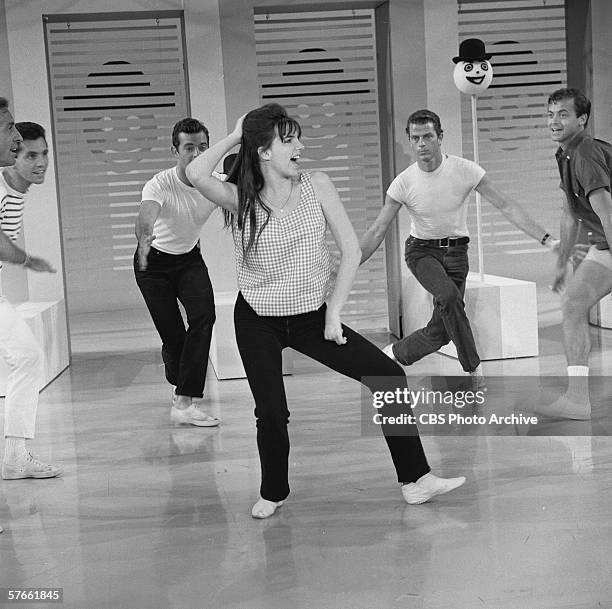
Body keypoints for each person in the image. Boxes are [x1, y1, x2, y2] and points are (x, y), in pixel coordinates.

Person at [186, 103, 466, 519]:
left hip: (311, 314)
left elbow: (351, 249)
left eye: (298, 137)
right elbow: (195, 174)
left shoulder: (317, 184)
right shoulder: (239, 198)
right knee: (272, 411)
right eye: (289, 139)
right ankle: (273, 491)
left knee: (387, 375)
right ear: (263, 151)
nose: (300, 145)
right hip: (256, 319)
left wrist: (334, 312)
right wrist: (235, 133)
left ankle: (416, 479)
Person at [360, 109, 557, 387]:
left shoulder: (466, 170)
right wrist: (349, 265)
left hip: (456, 253)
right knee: (450, 297)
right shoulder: (403, 183)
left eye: (427, 137)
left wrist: (546, 238)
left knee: (439, 332)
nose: (421, 145)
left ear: (440, 137)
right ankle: (474, 370)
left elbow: (506, 205)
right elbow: (378, 230)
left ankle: (394, 353)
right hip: (421, 252)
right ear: (409, 140)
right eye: (415, 138)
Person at [134, 118, 219, 427]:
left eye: (202, 147)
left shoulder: (215, 183)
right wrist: (144, 233)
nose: (196, 154)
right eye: (188, 148)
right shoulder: (159, 184)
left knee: (204, 316)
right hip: (152, 264)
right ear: (175, 150)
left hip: (188, 260)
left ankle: (184, 400)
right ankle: (179, 383)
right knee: (174, 337)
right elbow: (146, 216)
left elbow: (245, 196)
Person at [536, 88, 612, 420]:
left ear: (581, 120)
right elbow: (571, 212)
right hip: (603, 244)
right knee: (573, 302)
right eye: (551, 114)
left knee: (573, 303)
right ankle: (578, 401)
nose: (554, 121)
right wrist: (561, 263)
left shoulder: (584, 155)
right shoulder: (564, 153)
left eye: (563, 114)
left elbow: (608, 213)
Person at [0, 110, 62, 482]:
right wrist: (26, 259)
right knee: (27, 357)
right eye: (30, 155)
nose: (40, 163)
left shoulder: (15, 191)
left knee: (26, 357)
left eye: (44, 154)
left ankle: (15, 455)